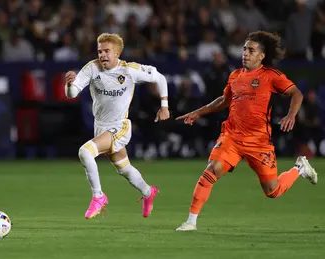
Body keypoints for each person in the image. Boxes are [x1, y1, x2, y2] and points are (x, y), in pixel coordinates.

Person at [175, 31, 318, 231]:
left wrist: (291, 115)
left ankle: (299, 168)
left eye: (251, 50)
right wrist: (199, 112)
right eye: (244, 49)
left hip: (259, 141)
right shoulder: (235, 76)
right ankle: (191, 222)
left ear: (261, 56)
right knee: (211, 171)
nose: (245, 53)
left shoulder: (271, 76)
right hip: (231, 136)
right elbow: (224, 100)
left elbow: (296, 93)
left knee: (272, 191)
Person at [64, 33, 170, 219]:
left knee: (85, 152)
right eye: (99, 51)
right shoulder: (92, 68)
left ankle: (98, 196)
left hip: (120, 127)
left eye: (107, 51)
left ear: (117, 52)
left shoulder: (129, 70)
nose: (102, 55)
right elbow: (72, 94)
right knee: (125, 169)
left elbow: (160, 78)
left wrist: (164, 106)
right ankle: (148, 192)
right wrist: (69, 84)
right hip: (101, 127)